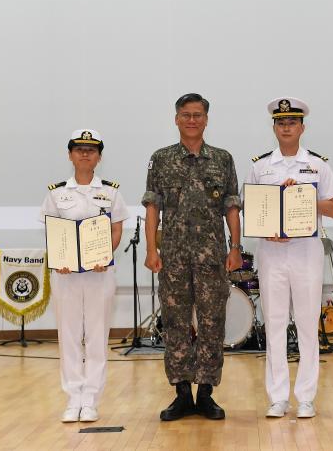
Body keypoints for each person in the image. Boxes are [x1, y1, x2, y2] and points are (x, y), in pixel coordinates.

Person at [141, 93, 242, 421]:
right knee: (176, 325)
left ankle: (206, 394)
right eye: (186, 115)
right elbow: (153, 207)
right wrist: (151, 250)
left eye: (198, 114)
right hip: (173, 259)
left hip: (212, 257)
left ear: (206, 119)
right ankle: (182, 393)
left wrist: (236, 247)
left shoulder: (222, 159)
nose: (192, 120)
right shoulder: (161, 159)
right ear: (176, 119)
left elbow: (231, 206)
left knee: (213, 325)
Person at [245, 97, 333, 419]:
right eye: (280, 123)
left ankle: (306, 397)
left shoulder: (318, 165)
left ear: (302, 127)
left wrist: (304, 195)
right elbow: (252, 209)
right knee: (273, 323)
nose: (286, 127)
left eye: (292, 122)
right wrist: (266, 229)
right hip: (272, 253)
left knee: (306, 324)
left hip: (306, 253)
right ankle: (277, 397)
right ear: (274, 127)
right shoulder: (261, 166)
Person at [40, 129, 129, 423]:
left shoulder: (111, 191)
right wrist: (61, 258)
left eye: (91, 150)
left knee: (96, 335)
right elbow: (52, 230)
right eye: (79, 149)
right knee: (68, 336)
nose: (85, 154)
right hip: (65, 275)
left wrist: (104, 255)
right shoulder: (56, 193)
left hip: (99, 273)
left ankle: (90, 398)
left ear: (99, 157)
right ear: (70, 155)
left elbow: (116, 230)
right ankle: (72, 398)